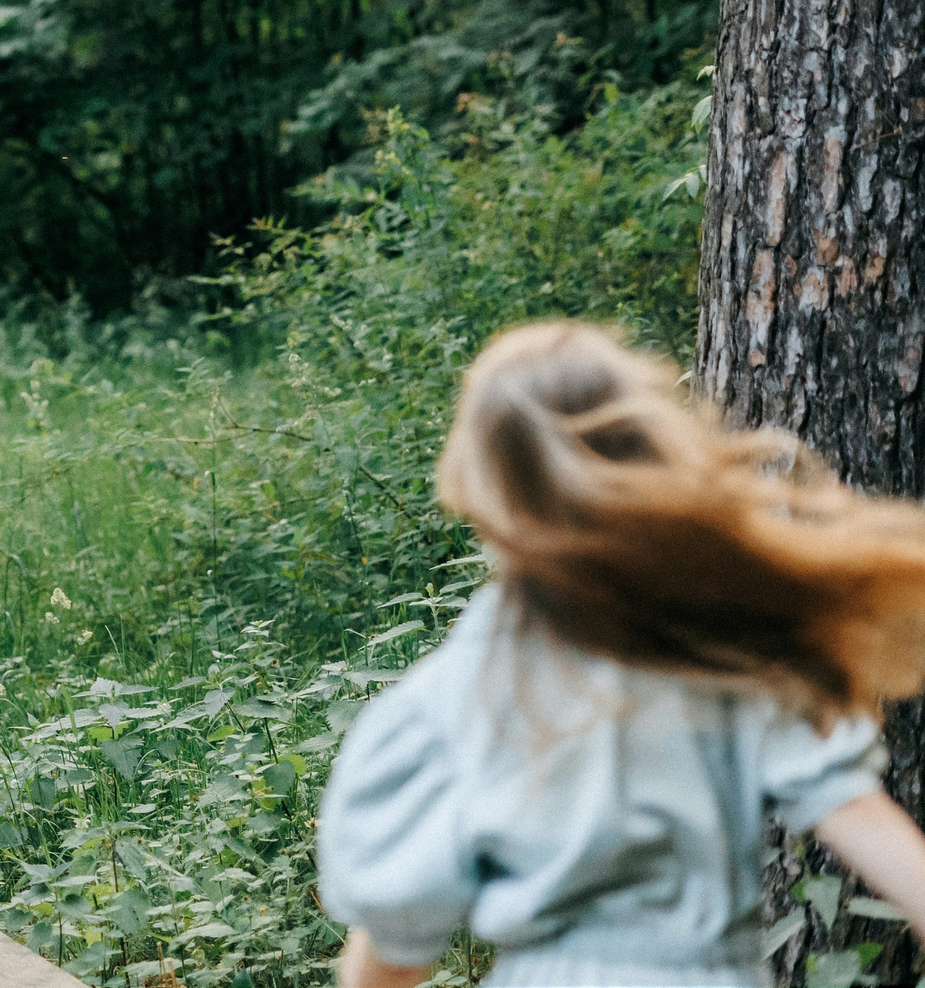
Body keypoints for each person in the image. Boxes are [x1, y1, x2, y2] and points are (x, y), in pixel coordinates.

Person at [320, 321, 925, 988]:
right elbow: (872, 831)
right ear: (644, 454)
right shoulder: (720, 657)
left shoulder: (451, 695)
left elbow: (396, 946)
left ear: (479, 484)